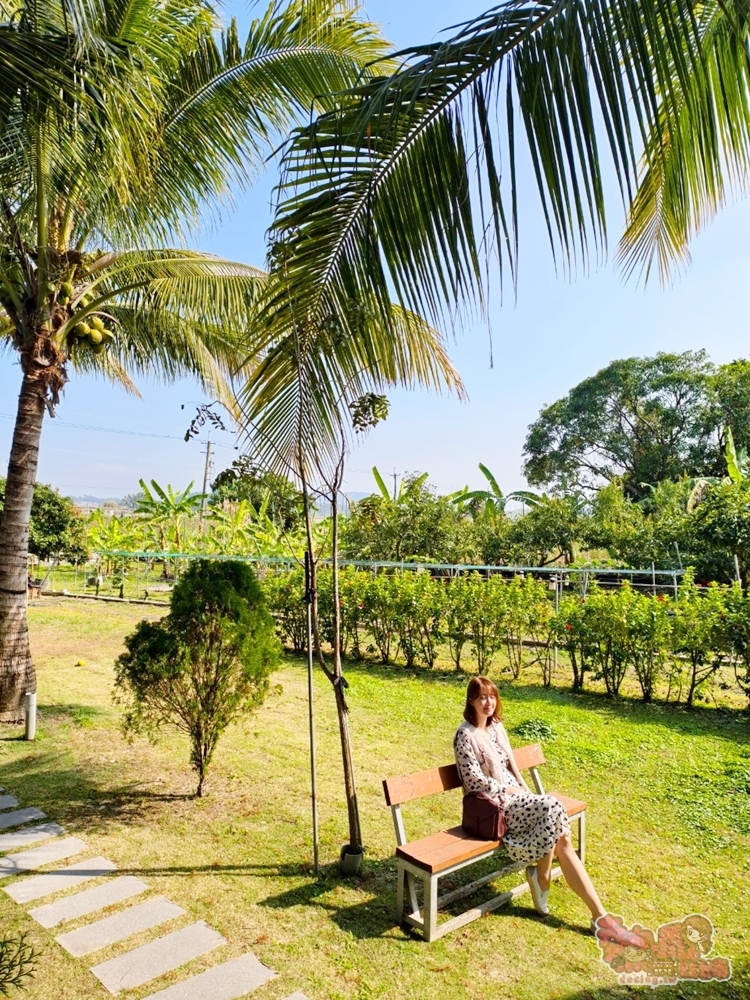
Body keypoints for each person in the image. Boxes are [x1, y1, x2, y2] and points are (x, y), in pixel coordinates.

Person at [454, 676, 644, 947]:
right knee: (554, 807)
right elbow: (472, 780)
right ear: (471, 700)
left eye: (492, 696)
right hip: (498, 807)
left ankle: (598, 917)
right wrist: (510, 791)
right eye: (482, 697)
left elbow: (512, 770)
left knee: (562, 836)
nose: (488, 702)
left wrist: (521, 791)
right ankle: (544, 879)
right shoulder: (465, 735)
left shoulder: (497, 727)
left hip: (522, 800)